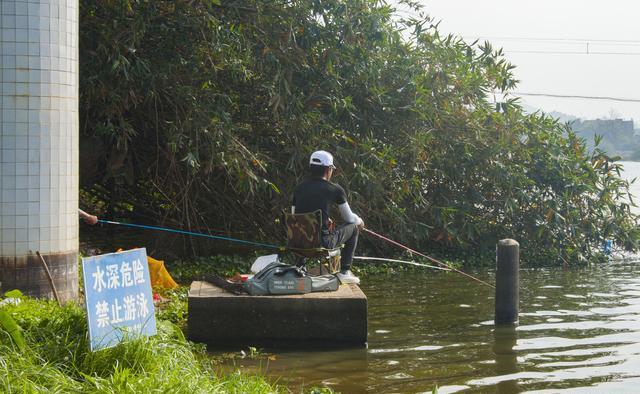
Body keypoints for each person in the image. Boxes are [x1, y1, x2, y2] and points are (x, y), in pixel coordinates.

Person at [292, 150, 364, 284]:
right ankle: (344, 272)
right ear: (328, 169)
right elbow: (349, 219)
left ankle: (300, 266)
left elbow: (295, 217)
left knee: (310, 231)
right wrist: (359, 220)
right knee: (353, 228)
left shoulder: (299, 188)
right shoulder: (335, 189)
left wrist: (324, 220)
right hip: (322, 244)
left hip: (297, 243)